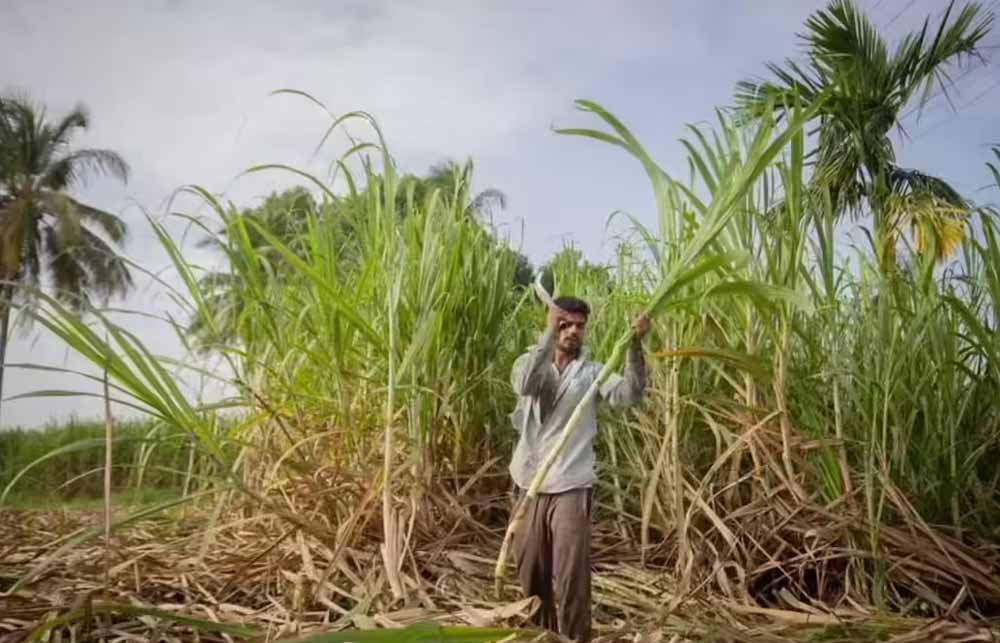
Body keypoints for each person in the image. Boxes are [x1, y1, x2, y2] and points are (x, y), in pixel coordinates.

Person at [508, 295, 650, 642]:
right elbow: (527, 385)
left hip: (570, 484)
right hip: (528, 483)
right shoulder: (528, 362)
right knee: (531, 574)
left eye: (579, 326)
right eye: (565, 324)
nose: (572, 331)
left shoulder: (593, 372)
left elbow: (629, 395)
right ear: (552, 323)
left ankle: (575, 639)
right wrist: (548, 333)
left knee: (571, 577)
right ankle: (542, 637)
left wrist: (634, 346)